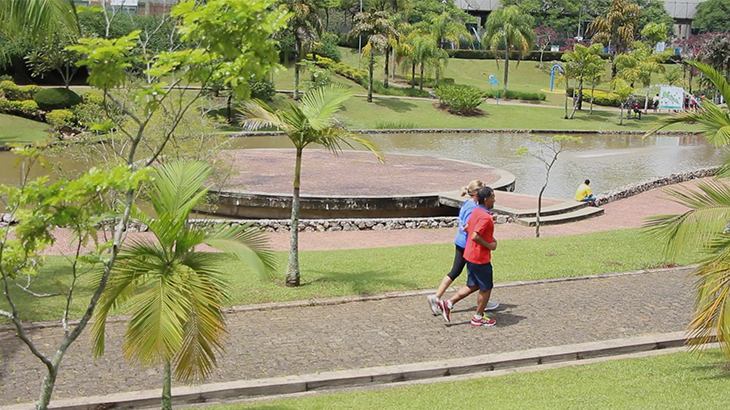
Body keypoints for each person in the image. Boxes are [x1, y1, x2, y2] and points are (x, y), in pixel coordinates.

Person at [427, 181, 499, 315]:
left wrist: (488, 219)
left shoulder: (469, 204)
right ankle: (437, 298)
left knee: (471, 278)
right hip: (469, 246)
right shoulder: (473, 207)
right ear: (480, 195)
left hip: (463, 242)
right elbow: (468, 228)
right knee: (465, 274)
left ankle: (444, 300)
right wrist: (487, 226)